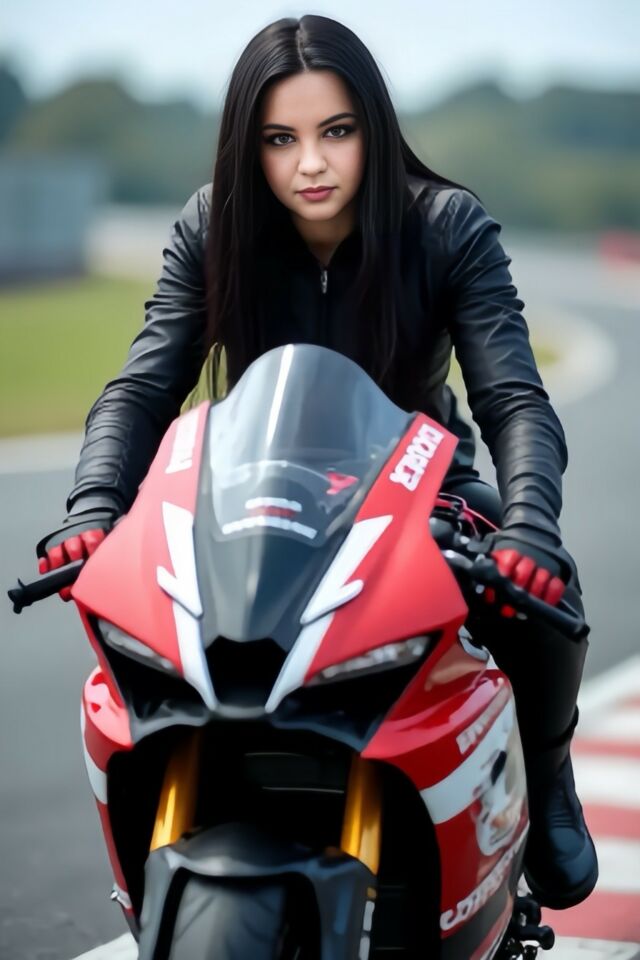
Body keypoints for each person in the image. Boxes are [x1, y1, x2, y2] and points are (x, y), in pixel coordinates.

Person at [37, 15, 597, 909]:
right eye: (279, 139)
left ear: (373, 126)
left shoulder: (446, 223)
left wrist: (530, 520)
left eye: (336, 131)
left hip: (425, 490)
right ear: (247, 146)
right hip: (249, 488)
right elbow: (141, 389)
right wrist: (93, 507)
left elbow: (516, 400)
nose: (310, 164)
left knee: (544, 593)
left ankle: (550, 773)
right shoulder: (212, 225)